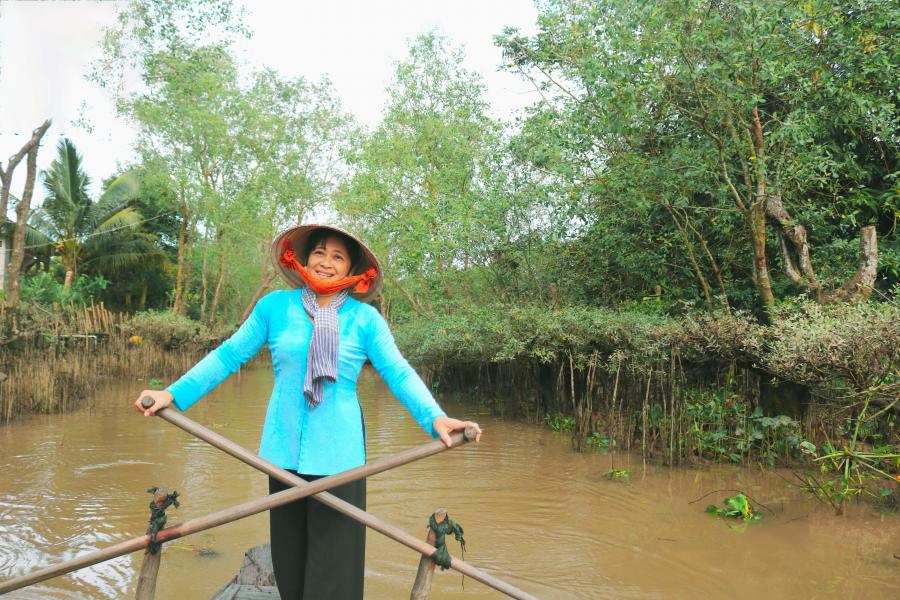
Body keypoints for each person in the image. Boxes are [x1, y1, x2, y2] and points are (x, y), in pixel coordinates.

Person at [134, 224, 482, 599]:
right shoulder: (275, 308)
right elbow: (228, 355)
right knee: (290, 560)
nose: (326, 263)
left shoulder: (364, 320)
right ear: (304, 259)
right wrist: (172, 393)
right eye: (319, 252)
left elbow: (398, 373)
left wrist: (436, 418)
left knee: (335, 567)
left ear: (350, 270)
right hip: (282, 453)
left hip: (340, 458)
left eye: (338, 257)